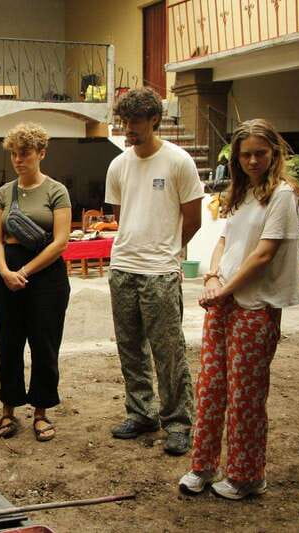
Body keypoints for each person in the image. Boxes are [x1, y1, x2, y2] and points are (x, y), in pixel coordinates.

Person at [177, 119, 299, 500]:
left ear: (274, 154)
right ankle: (202, 466)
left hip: (255, 306)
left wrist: (224, 290)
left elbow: (264, 255)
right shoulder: (241, 192)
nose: (252, 160)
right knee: (212, 387)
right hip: (225, 301)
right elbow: (224, 241)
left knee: (246, 394)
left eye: (260, 153)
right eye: (245, 154)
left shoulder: (281, 195)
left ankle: (247, 476)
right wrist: (213, 276)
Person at [105, 87, 203, 455]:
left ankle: (178, 422)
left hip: (160, 271)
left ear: (154, 120)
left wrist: (168, 251)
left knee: (169, 351)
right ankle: (141, 412)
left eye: (136, 121)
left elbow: (192, 220)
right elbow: (120, 216)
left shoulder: (178, 161)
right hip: (123, 268)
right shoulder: (119, 164)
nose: (129, 128)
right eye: (125, 121)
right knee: (130, 348)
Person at [0, 122, 71, 442]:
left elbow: (61, 242)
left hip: (46, 275)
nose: (18, 159)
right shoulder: (3, 192)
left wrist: (25, 271)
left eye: (24, 153)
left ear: (41, 153)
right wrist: (5, 272)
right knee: (8, 343)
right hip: (7, 272)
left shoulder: (56, 191)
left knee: (44, 344)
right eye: (14, 153)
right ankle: (8, 408)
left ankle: (41, 411)